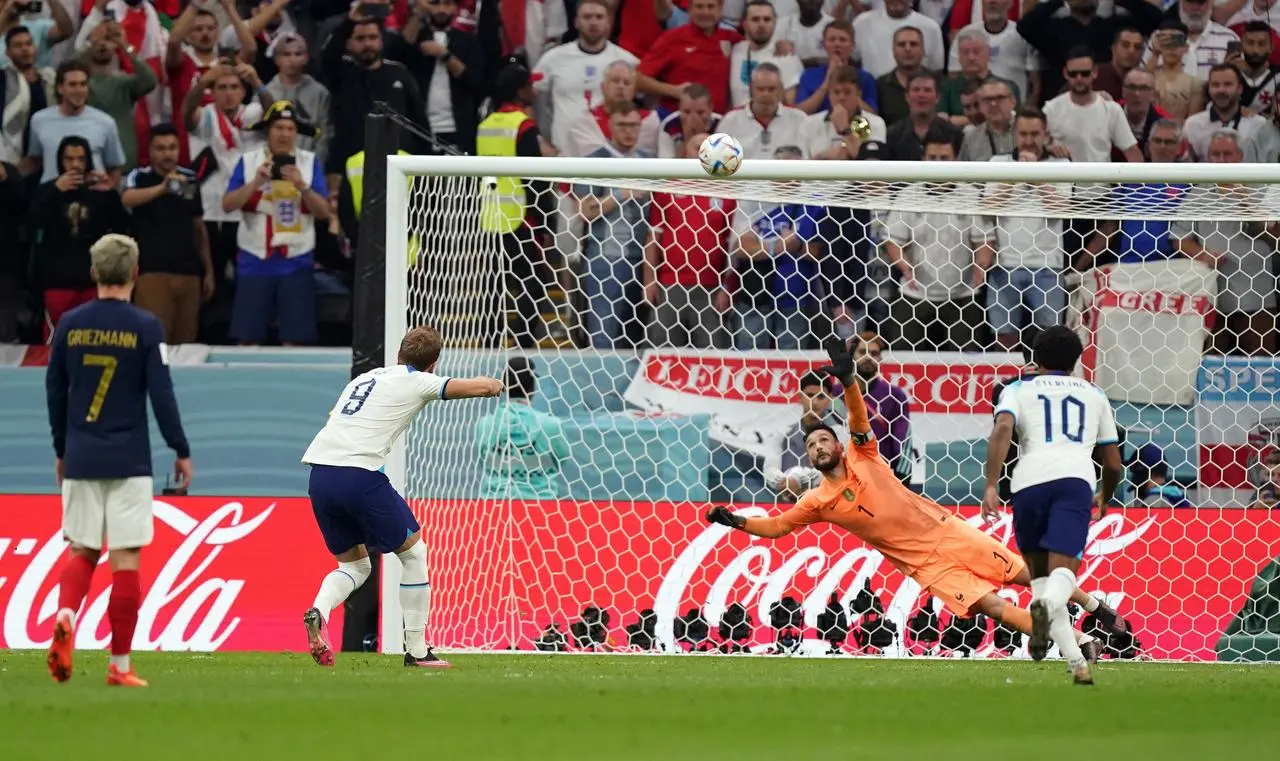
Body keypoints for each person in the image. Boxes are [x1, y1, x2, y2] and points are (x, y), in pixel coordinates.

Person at [706, 337, 1129, 666]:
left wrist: (850, 380)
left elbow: (857, 418)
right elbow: (777, 528)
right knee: (996, 608)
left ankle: (1093, 606)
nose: (818, 446)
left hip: (947, 531)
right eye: (812, 444)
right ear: (809, 457)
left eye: (824, 439)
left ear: (837, 445)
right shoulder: (817, 500)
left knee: (1028, 578)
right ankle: (1080, 643)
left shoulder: (863, 455)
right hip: (925, 564)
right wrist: (736, 521)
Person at [301, 325, 504, 668]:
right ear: (433, 363)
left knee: (354, 565)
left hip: (320, 474)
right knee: (414, 554)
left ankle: (319, 611)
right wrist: (497, 384)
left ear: (399, 353)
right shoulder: (417, 380)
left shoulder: (364, 379)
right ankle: (418, 650)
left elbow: (333, 418)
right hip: (359, 474)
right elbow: (479, 387)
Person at [45, 233, 193, 688]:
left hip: (82, 455)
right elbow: (161, 397)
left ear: (93, 272)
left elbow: (55, 392)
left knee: (82, 549)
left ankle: (67, 615)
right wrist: (180, 449)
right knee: (125, 557)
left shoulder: (69, 324)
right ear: (134, 273)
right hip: (129, 458)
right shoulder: (146, 327)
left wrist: (61, 449)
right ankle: (120, 666)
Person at [982, 326, 1124, 685]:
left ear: (1036, 356)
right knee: (1062, 576)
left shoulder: (1017, 389)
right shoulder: (1095, 393)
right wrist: (1105, 495)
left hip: (1027, 483)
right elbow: (1113, 463)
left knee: (1042, 581)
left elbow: (1002, 429)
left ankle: (1078, 665)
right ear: (1076, 360)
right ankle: (1044, 613)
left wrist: (990, 484)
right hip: (1074, 483)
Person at [474, 357, 570, 499]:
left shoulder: (485, 424)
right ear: (532, 387)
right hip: (541, 504)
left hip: (494, 504)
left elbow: (482, 461)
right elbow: (562, 460)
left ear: (504, 386)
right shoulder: (551, 425)